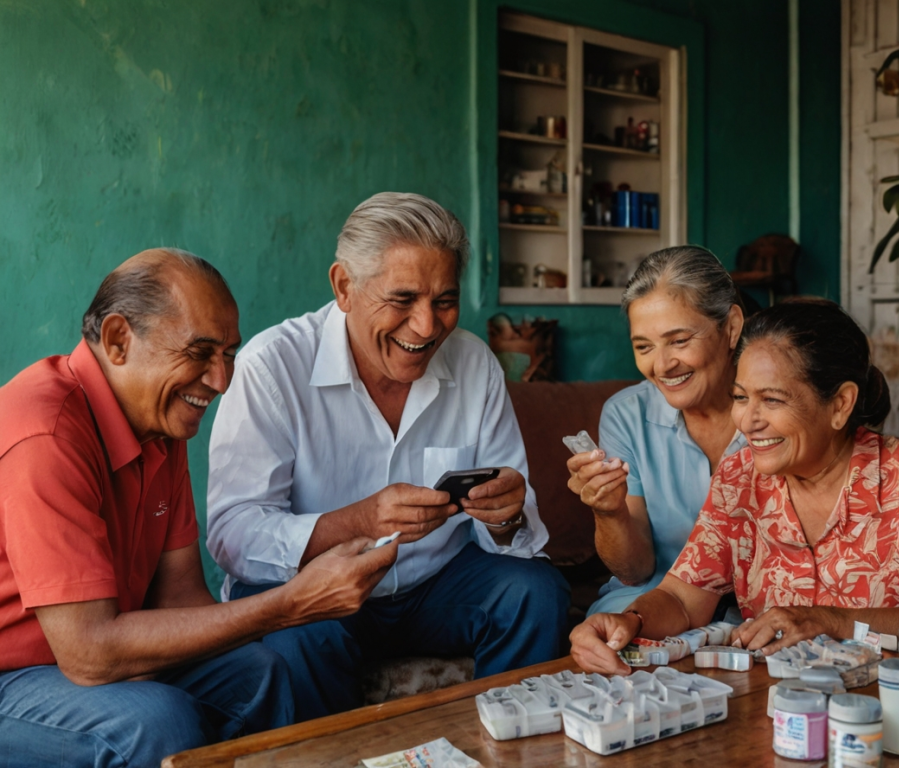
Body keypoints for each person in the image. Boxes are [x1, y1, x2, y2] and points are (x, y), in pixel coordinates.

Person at [0, 249, 398, 767]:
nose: (221, 380)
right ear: (119, 340)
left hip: (86, 657)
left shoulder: (158, 422)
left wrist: (301, 610)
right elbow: (89, 653)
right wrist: (290, 603)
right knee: (156, 720)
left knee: (266, 671)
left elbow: (181, 596)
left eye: (228, 354)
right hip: (18, 673)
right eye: (200, 352)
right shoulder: (46, 431)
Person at [207, 192, 570, 717]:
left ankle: (509, 747)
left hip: (434, 586)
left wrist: (508, 514)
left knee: (537, 593)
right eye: (402, 300)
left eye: (445, 300)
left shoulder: (475, 363)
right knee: (294, 642)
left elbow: (515, 530)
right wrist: (356, 521)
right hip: (313, 589)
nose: (427, 327)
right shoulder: (273, 366)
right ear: (344, 287)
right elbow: (232, 532)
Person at [571, 299, 899, 675]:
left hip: (893, 711)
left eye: (772, 399)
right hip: (771, 714)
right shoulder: (739, 478)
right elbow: (682, 599)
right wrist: (628, 621)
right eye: (741, 397)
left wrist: (832, 621)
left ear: (840, 404)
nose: (748, 421)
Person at [565, 246, 745, 614]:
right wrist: (609, 512)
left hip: (764, 596)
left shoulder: (776, 406)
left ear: (731, 327)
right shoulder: (626, 415)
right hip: (660, 595)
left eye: (679, 341)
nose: (662, 365)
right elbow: (634, 571)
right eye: (644, 346)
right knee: (607, 636)